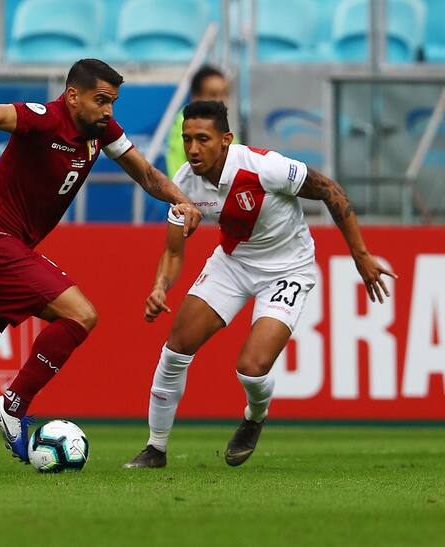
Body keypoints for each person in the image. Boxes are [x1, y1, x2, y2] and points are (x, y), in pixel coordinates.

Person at [0, 58, 203, 472]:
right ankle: (13, 406)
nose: (108, 111)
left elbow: (148, 176)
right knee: (81, 314)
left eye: (113, 102)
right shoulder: (44, 119)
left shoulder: (103, 132)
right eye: (101, 100)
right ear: (73, 95)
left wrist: (182, 201)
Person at [124, 100, 395, 469]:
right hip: (233, 264)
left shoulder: (265, 167)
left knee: (250, 368)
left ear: (226, 140)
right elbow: (174, 251)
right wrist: (160, 287)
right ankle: (155, 449)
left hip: (288, 268)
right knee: (175, 349)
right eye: (187, 139)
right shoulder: (185, 182)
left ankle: (255, 414)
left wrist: (360, 255)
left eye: (202, 139)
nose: (192, 149)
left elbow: (330, 190)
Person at [166, 65, 235, 178]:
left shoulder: (222, 124)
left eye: (225, 94)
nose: (221, 101)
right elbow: (177, 171)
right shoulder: (187, 125)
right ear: (195, 96)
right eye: (213, 94)